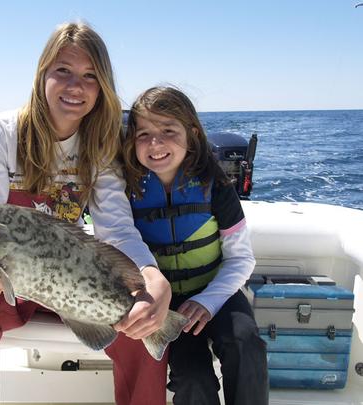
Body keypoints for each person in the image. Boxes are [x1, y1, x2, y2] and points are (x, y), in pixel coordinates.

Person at [0, 23, 172, 405]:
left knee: (140, 322)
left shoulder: (103, 147)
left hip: (69, 276)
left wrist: (151, 279)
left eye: (90, 76)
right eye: (63, 71)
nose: (76, 86)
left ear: (102, 87)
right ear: (42, 75)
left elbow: (116, 228)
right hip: (6, 281)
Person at [122, 86, 269, 405]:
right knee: (191, 377)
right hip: (166, 304)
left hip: (219, 292)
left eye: (168, 131)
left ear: (191, 133)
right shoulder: (123, 189)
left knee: (245, 342)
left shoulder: (215, 184)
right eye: (143, 133)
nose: (155, 144)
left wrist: (208, 301)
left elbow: (242, 260)